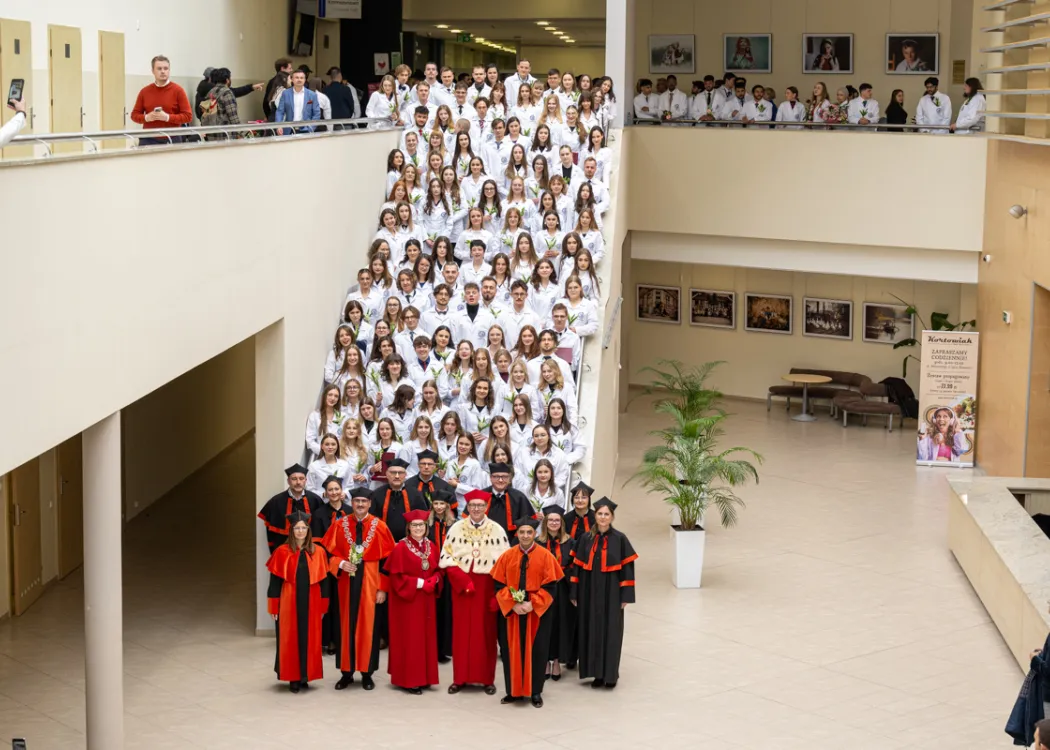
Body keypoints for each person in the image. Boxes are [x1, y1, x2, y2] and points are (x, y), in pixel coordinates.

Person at [321, 486, 396, 691]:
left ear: (370, 504)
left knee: (368, 627)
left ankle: (366, 673)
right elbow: (327, 554)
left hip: (371, 583)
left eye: (364, 501)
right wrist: (339, 564)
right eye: (357, 502)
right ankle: (346, 673)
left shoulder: (380, 526)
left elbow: (388, 562)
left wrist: (383, 588)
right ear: (351, 503)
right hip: (345, 583)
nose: (360, 505)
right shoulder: (339, 525)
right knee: (345, 626)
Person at [440, 489, 510, 695]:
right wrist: (463, 581)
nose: (477, 509)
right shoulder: (456, 528)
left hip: (487, 586)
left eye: (480, 505)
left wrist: (498, 594)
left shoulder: (497, 530)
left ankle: (487, 679)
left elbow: (505, 564)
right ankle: (459, 678)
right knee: (461, 634)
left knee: (486, 634)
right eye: (473, 506)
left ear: (486, 507)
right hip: (462, 588)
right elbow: (447, 558)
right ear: (467, 507)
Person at [491, 517, 564, 707]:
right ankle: (513, 691)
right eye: (521, 532)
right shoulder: (507, 556)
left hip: (537, 613)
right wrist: (513, 604)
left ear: (535, 534)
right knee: (510, 651)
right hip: (512, 613)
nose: (525, 536)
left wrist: (533, 604)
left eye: (529, 532)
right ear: (517, 534)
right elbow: (498, 584)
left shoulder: (546, 556)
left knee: (537, 651)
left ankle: (535, 691)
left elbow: (551, 586)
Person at [571, 497, 637, 689]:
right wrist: (574, 593)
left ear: (612, 517)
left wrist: (626, 596)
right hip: (588, 591)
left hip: (613, 592)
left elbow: (627, 569)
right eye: (599, 514)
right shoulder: (585, 539)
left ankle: (610, 675)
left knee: (611, 632)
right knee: (590, 630)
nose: (602, 517)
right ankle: (595, 674)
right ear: (595, 516)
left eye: (606, 514)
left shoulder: (620, 539)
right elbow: (577, 569)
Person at [266, 510, 330, 693]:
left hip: (312, 600)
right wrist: (273, 606)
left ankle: (306, 675)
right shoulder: (281, 552)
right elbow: (275, 582)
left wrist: (324, 605)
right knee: (290, 638)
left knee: (311, 638)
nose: (301, 531)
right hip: (288, 600)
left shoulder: (318, 552)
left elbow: (324, 581)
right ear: (291, 531)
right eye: (297, 528)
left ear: (309, 530)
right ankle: (293, 677)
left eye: (304, 528)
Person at [384, 509, 441, 694]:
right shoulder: (400, 547)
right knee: (410, 638)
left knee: (426, 637)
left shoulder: (432, 546)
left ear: (426, 527)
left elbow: (439, 570)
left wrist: (434, 580)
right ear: (408, 528)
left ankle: (425, 677)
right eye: (414, 525)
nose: (418, 528)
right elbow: (396, 578)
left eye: (421, 525)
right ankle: (410, 679)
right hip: (407, 601)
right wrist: (420, 583)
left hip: (427, 600)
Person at [537, 504, 575, 679]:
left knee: (561, 625)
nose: (553, 523)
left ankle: (558, 661)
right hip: (542, 589)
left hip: (562, 589)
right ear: (545, 522)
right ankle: (544, 661)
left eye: (557, 520)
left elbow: (575, 569)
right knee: (544, 625)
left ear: (562, 523)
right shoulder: (537, 543)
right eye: (550, 520)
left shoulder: (571, 542)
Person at [259, 464, 324, 552]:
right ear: (288, 481)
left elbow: (321, 529)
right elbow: (270, 533)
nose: (298, 482)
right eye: (294, 479)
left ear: (306, 481)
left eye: (301, 479)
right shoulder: (276, 501)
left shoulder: (315, 500)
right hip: (284, 550)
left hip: (309, 550)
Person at [130, 55, 192, 145]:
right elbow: (134, 115)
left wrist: (167, 117)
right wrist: (146, 118)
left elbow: (188, 116)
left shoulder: (178, 90)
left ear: (169, 70)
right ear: (153, 71)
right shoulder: (145, 92)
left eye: (166, 68)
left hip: (172, 138)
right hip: (148, 139)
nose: (163, 71)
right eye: (159, 69)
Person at [428, 489, 458, 662]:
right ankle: (432, 648)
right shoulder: (426, 524)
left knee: (447, 610)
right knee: (433, 610)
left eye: (442, 504)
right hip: (431, 571)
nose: (439, 507)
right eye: (436, 504)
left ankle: (445, 648)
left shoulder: (455, 525)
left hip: (449, 573)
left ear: (447, 505)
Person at [370, 457, 429, 542]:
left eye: (400, 473)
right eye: (393, 473)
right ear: (386, 474)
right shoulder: (377, 494)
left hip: (411, 543)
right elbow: (372, 521)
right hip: (383, 543)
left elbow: (423, 521)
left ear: (405, 475)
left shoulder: (416, 495)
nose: (397, 476)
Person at [485, 462, 533, 537]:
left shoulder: (519, 497)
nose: (500, 480)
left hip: (511, 543)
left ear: (509, 479)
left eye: (504, 477)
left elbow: (528, 525)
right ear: (491, 478)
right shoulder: (480, 496)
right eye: (496, 476)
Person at [275, 70, 321, 134]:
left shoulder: (312, 95)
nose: (299, 80)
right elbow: (280, 111)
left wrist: (311, 128)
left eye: (301, 78)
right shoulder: (285, 93)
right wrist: (279, 126)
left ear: (305, 80)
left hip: (306, 130)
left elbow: (317, 114)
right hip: (289, 130)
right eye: (297, 77)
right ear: (292, 79)